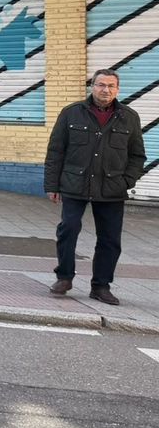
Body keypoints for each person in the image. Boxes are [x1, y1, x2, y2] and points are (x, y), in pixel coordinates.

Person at [44, 69, 145, 306]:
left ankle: (101, 286)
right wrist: (52, 184)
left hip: (112, 187)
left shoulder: (129, 117)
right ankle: (64, 277)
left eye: (111, 86)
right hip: (74, 183)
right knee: (68, 228)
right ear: (92, 86)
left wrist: (126, 181)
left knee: (110, 239)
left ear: (117, 89)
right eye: (101, 85)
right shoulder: (72, 113)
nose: (105, 90)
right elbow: (56, 151)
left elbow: (137, 155)